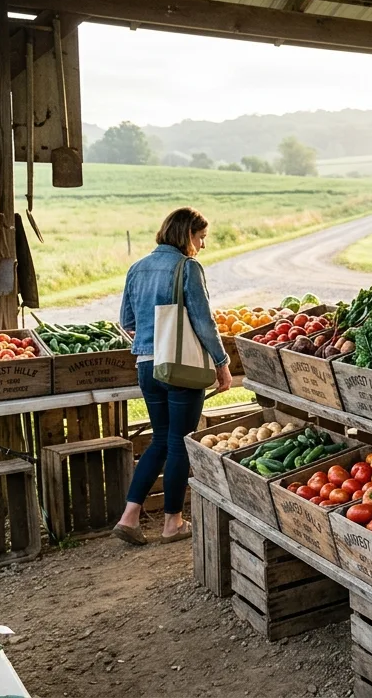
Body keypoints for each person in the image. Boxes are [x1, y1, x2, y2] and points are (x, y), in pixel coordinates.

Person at [113, 207, 231, 545]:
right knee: (181, 441)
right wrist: (222, 363)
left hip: (146, 366)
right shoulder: (187, 267)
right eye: (201, 237)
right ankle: (172, 523)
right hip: (179, 366)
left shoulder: (137, 268)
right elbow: (203, 322)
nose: (202, 245)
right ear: (186, 234)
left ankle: (129, 517)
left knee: (161, 440)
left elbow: (127, 320)